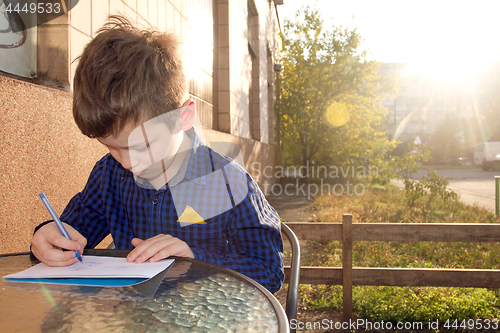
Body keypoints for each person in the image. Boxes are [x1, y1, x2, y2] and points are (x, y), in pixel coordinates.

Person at [30, 15, 284, 293]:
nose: (128, 163)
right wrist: (50, 239)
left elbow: (268, 272)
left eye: (142, 146)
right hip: (133, 315)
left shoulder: (229, 185)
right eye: (111, 147)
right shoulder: (108, 174)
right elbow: (72, 232)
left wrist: (197, 260)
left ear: (183, 117)